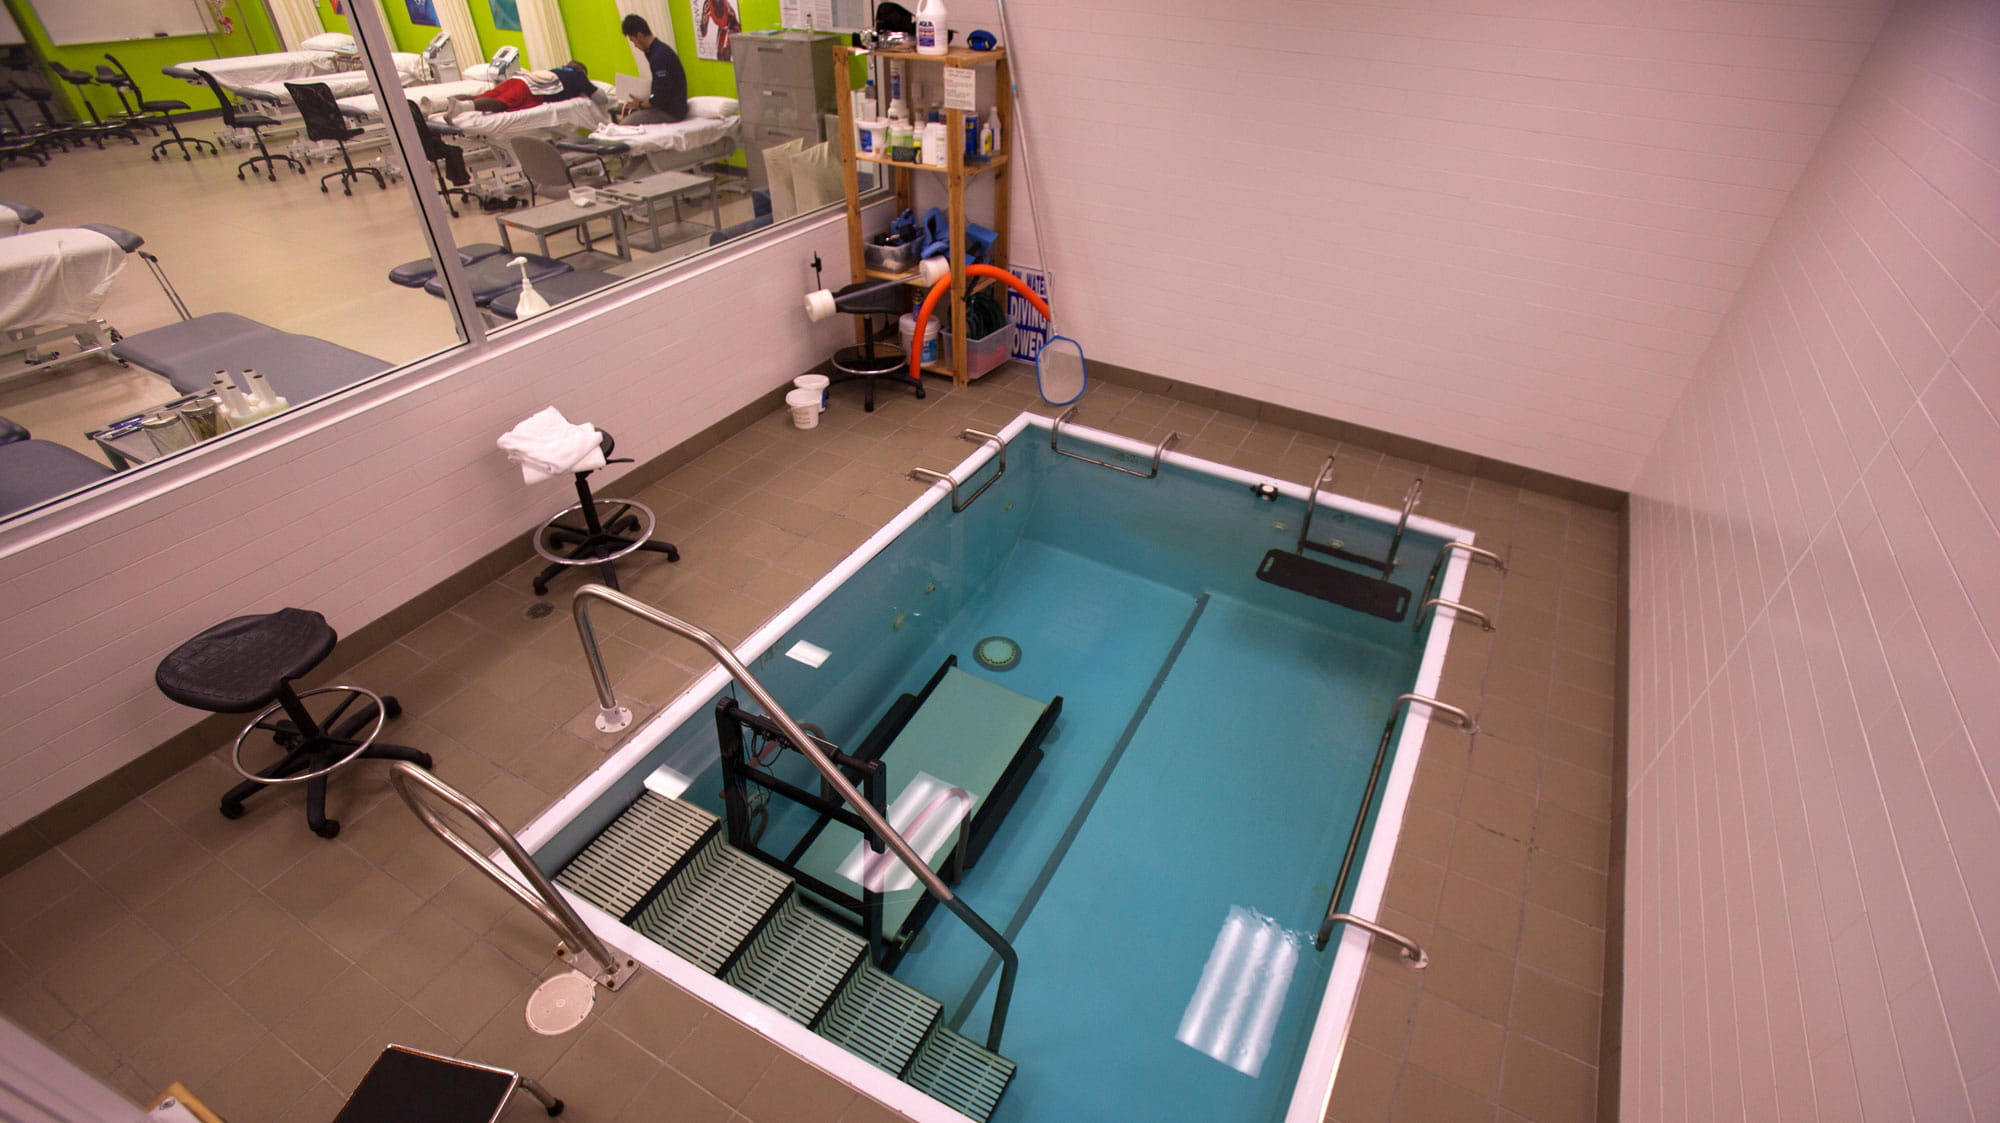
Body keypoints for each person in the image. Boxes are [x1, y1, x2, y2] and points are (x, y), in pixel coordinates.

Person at [619, 14, 688, 124]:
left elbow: (661, 97)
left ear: (640, 36)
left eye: (633, 41)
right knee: (632, 115)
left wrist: (640, 104)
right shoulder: (655, 51)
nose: (635, 45)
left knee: (625, 124)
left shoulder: (659, 56)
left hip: (671, 112)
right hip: (667, 107)